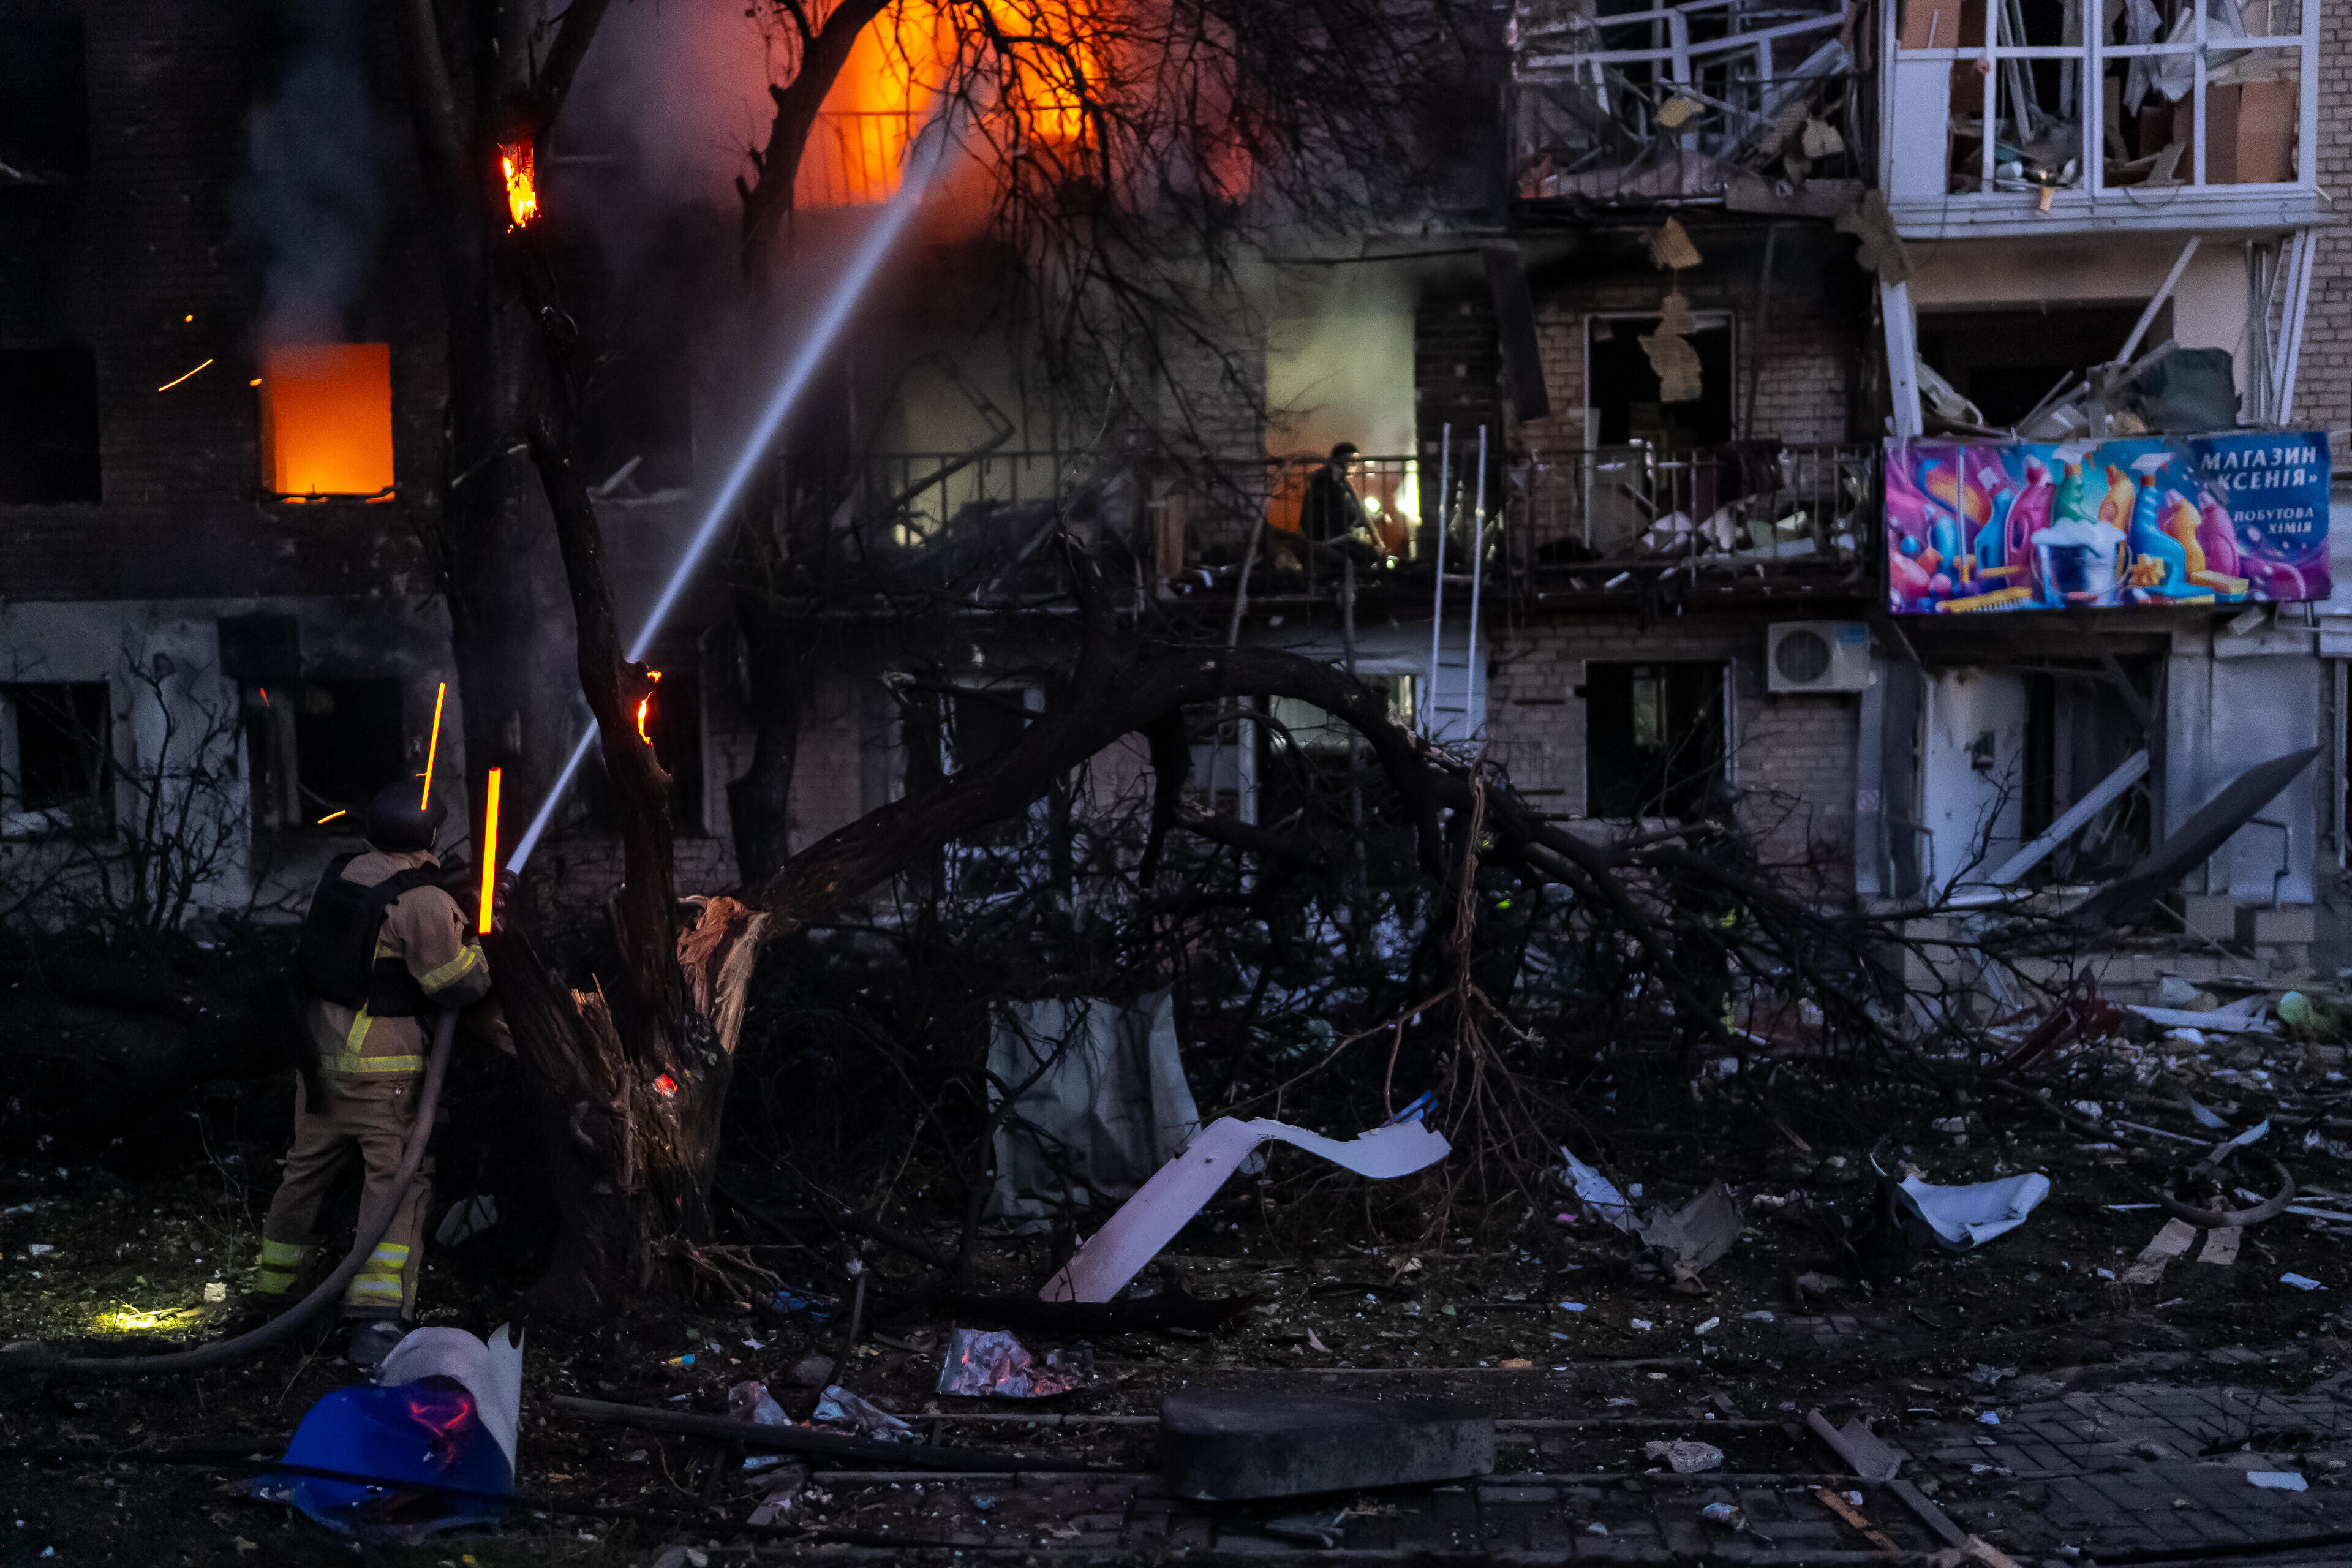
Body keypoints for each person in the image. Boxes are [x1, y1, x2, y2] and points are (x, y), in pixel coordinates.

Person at [249, 782, 494, 1368]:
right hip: (385, 1076)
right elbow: (454, 983)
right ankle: (376, 1320)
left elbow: (384, 932)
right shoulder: (425, 902)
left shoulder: (344, 874)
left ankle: (273, 1297)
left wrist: (450, 898)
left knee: (302, 1176)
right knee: (397, 1184)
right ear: (430, 834)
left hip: (321, 1068)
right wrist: (481, 948)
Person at [1300, 442, 1371, 547]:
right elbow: (1342, 513)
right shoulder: (1327, 481)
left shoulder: (1336, 480)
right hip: (1329, 539)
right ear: (1339, 461)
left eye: (1356, 461)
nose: (1354, 465)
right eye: (1351, 460)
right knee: (1368, 552)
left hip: (1332, 537)